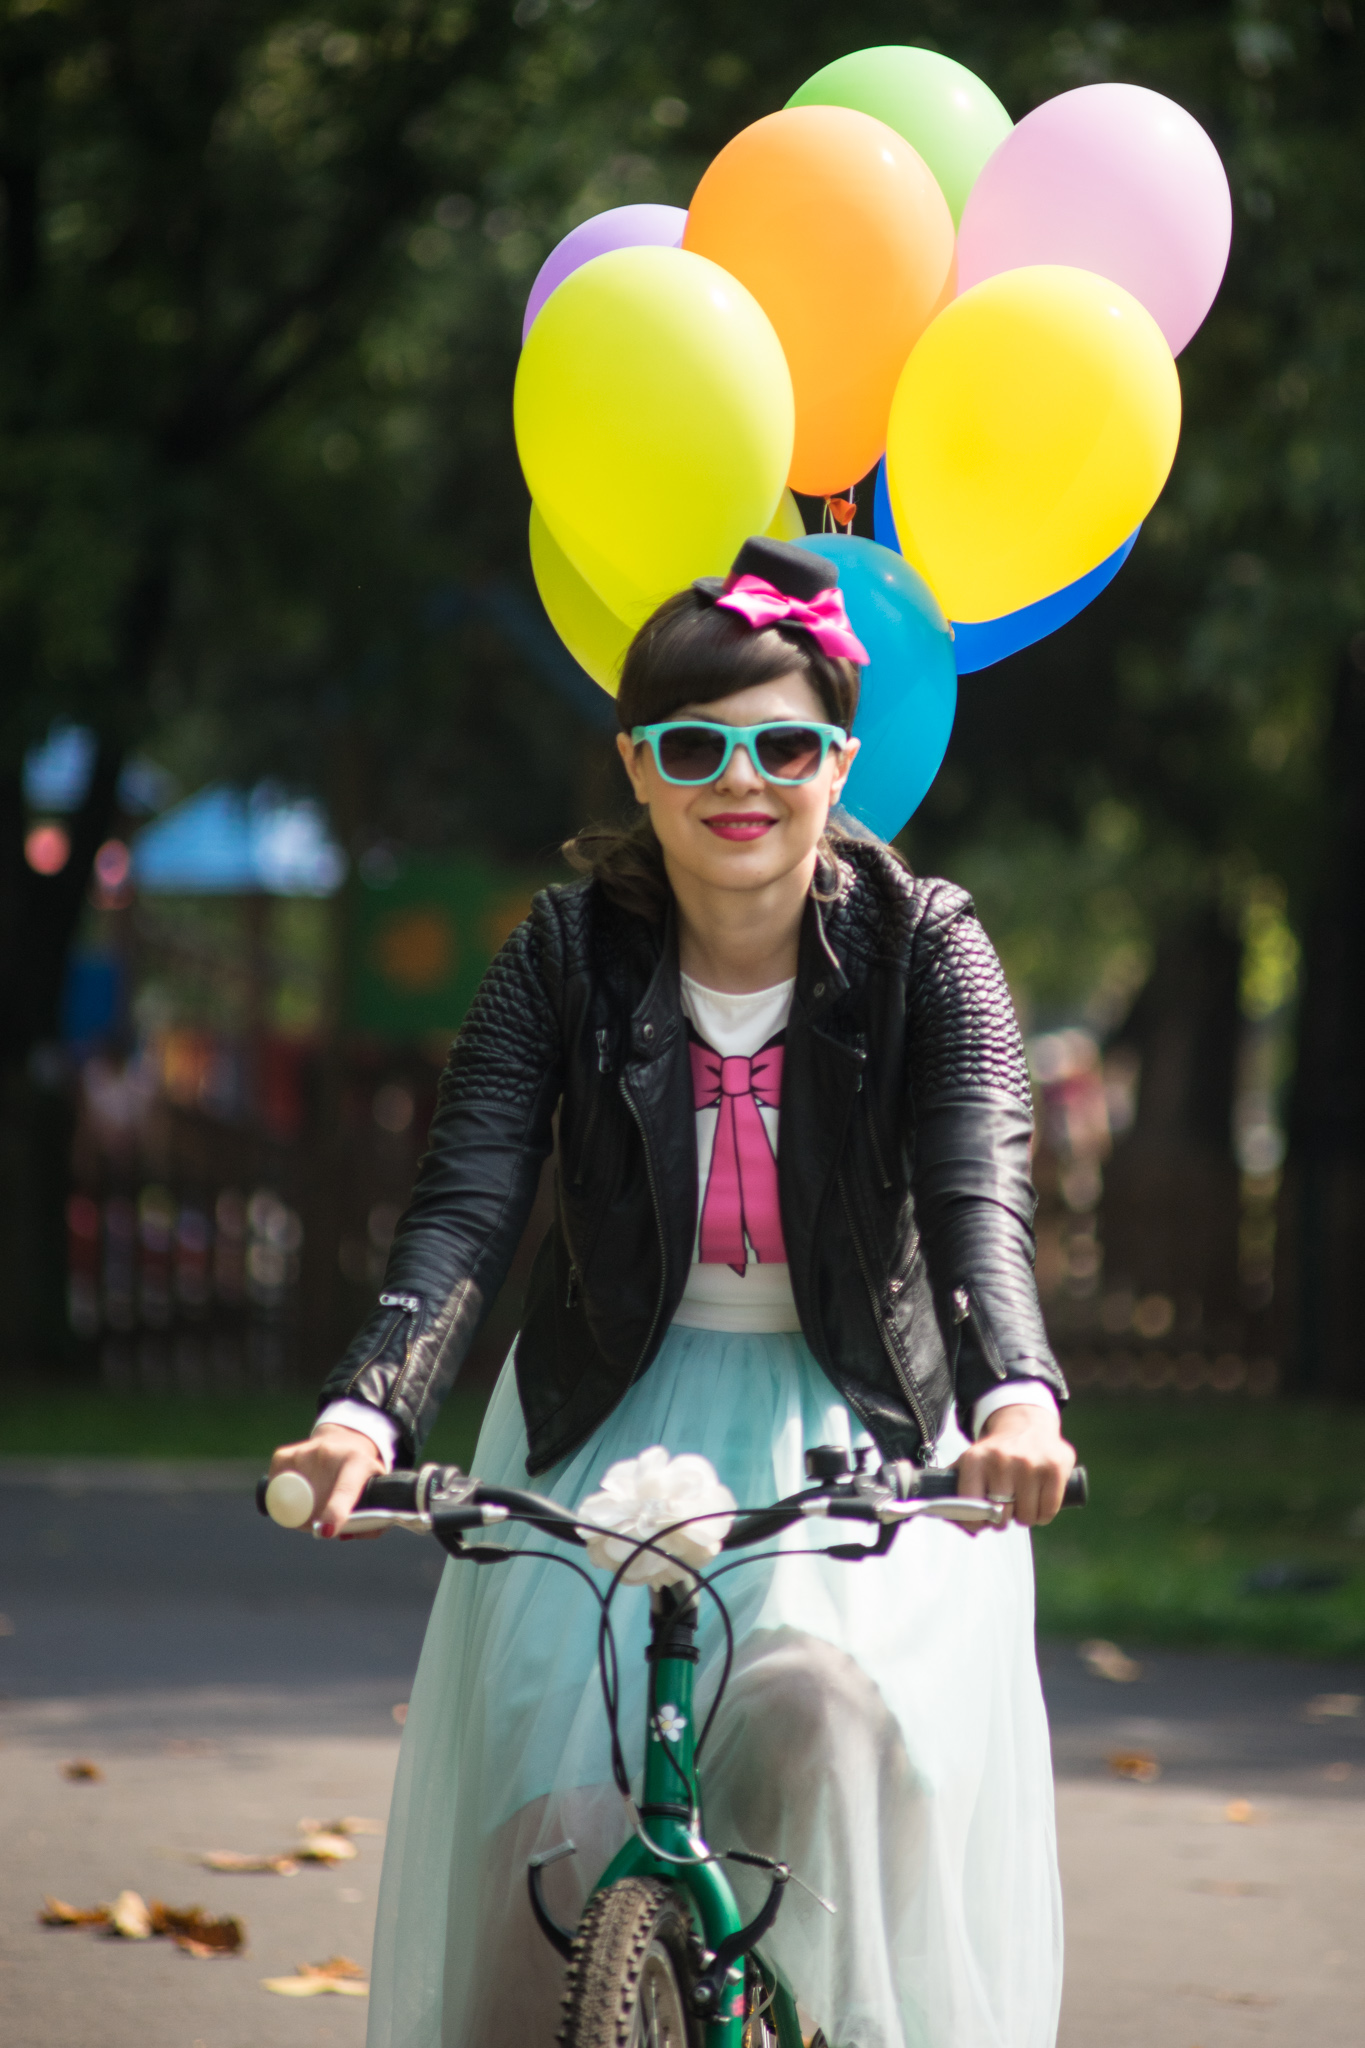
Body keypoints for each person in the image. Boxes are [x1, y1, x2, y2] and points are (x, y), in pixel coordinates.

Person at [269, 536, 1075, 2048]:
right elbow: (466, 1204)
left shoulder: (927, 950)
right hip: (597, 1420)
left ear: (840, 762)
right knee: (551, 1850)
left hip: (869, 1429)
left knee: (820, 1726)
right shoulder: (560, 954)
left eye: (782, 743)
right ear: (636, 768)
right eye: (694, 745)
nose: (740, 779)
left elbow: (978, 1201)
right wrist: (358, 1416)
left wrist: (1014, 1400)